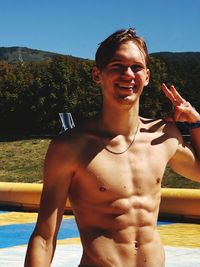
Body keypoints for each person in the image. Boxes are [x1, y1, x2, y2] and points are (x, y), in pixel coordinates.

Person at [24, 28, 200, 267]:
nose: (128, 74)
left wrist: (197, 124)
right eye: (117, 66)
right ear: (98, 74)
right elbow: (44, 237)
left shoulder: (163, 135)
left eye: (136, 67)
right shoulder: (71, 147)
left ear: (147, 77)